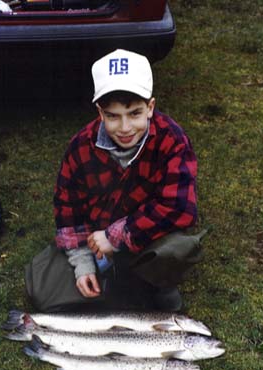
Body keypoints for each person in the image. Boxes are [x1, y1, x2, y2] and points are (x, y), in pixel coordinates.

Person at [25, 49, 206, 313]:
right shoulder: (79, 147)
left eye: (134, 113)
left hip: (146, 240)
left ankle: (159, 286)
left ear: (150, 107)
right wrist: (82, 263)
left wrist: (117, 236)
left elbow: (180, 208)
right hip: (95, 243)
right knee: (43, 294)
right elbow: (68, 212)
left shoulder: (172, 141)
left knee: (176, 249)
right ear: (99, 112)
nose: (124, 127)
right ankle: (111, 279)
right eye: (112, 116)